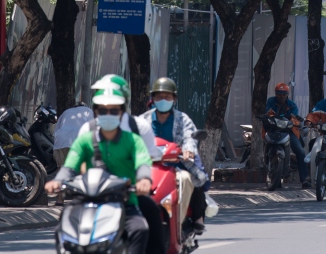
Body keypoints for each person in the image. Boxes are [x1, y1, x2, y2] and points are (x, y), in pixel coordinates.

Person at [45, 82, 151, 254]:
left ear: (121, 112)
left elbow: (143, 163)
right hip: (86, 200)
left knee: (140, 228)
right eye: (103, 110)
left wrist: (144, 179)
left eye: (114, 110)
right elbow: (69, 166)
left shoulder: (133, 140)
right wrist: (58, 180)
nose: (108, 114)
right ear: (95, 112)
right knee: (61, 229)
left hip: (124, 201)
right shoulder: (85, 140)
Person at [78, 75, 165, 254]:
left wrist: (142, 181)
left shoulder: (139, 127)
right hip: (96, 195)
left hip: (129, 195)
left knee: (150, 213)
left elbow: (145, 160)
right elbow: (80, 163)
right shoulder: (88, 129)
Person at [145, 77, 208, 234]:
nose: (163, 100)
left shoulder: (182, 119)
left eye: (167, 97)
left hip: (177, 166)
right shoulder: (143, 120)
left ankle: (186, 220)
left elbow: (189, 137)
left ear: (174, 99)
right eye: (159, 97)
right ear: (152, 99)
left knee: (191, 178)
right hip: (149, 167)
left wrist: (188, 150)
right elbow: (133, 139)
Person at [265, 82, 310, 188]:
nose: (281, 96)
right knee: (267, 145)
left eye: (283, 94)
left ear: (287, 95)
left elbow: (295, 118)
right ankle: (270, 170)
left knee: (300, 152)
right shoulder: (271, 101)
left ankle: (304, 180)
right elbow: (267, 112)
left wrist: (294, 119)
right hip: (274, 129)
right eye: (279, 94)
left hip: (289, 130)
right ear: (276, 94)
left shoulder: (292, 105)